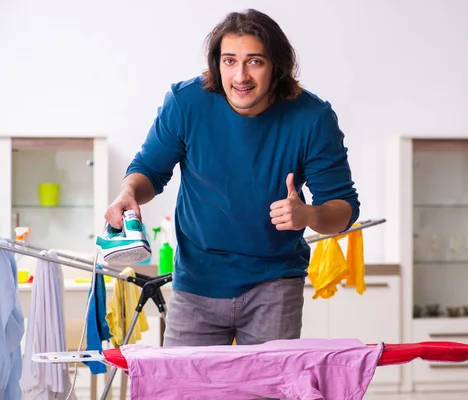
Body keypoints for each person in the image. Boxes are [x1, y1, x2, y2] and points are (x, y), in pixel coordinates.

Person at [104, 8, 359, 347]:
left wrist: (309, 215)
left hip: (275, 286)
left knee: (266, 394)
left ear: (277, 66)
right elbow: (149, 170)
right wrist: (128, 193)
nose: (240, 76)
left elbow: (343, 210)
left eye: (255, 61)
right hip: (196, 284)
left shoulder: (313, 118)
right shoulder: (186, 103)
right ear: (217, 63)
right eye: (229, 61)